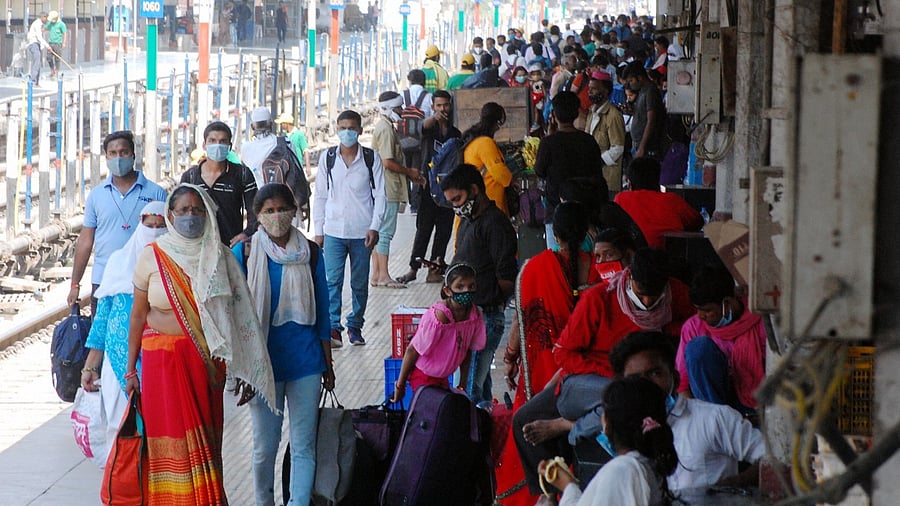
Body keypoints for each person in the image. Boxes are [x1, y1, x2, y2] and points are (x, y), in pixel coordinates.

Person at [125, 184, 276, 505]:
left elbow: (241, 315)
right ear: (170, 215)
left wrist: (246, 371)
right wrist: (129, 371)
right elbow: (138, 317)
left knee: (204, 445)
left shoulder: (220, 257)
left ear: (207, 214)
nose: (191, 216)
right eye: (183, 211)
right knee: (167, 444)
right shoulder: (153, 256)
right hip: (160, 369)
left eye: (197, 210)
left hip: (204, 368)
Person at [512, 248, 693, 495]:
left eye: (655, 296)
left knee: (632, 401)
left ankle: (567, 426)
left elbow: (693, 326)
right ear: (629, 278)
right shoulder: (599, 299)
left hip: (636, 383)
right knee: (524, 418)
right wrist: (613, 375)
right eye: (643, 295)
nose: (649, 303)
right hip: (590, 381)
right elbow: (564, 353)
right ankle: (549, 495)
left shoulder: (676, 294)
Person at [232, 183, 335, 506]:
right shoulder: (245, 253)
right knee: (265, 445)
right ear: (257, 216)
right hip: (263, 366)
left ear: (294, 211)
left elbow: (323, 312)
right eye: (268, 210)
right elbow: (233, 314)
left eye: (282, 209)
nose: (277, 216)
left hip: (305, 362)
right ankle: (265, 501)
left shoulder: (310, 252)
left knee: (304, 444)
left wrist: (328, 366)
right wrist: (242, 372)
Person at [495, 202, 594, 506]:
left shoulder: (533, 269)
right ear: (589, 232)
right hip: (584, 377)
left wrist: (510, 357)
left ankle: (545, 494)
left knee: (531, 430)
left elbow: (521, 319)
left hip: (541, 377)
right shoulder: (599, 267)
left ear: (556, 234)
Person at [610, 331, 764, 491]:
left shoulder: (713, 418)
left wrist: (726, 488)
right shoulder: (623, 431)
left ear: (675, 378)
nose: (645, 385)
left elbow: (771, 459)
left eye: (655, 373)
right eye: (635, 378)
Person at [79, 202, 167, 462]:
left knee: (154, 437)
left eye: (160, 227)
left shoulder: (172, 267)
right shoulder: (119, 262)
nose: (153, 232)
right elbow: (102, 320)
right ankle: (120, 492)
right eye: (148, 226)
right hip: (116, 366)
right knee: (118, 435)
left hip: (156, 364)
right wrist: (90, 366)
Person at [67, 131, 168, 315]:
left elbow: (168, 239)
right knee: (102, 339)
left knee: (141, 338)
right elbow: (85, 241)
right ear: (106, 157)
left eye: (124, 152)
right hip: (103, 280)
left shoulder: (156, 193)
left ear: (133, 155)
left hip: (146, 279)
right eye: (113, 153)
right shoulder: (96, 196)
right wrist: (75, 283)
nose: (118, 158)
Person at [441, 164, 517, 404]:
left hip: (486, 317)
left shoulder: (495, 224)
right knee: (478, 385)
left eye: (458, 198)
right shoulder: (467, 222)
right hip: (472, 316)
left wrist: (483, 301)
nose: (456, 206)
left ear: (474, 190)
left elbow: (506, 279)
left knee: (469, 387)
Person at [537, 376, 678, 505]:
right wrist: (568, 485)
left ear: (606, 423)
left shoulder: (621, 470)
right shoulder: (650, 464)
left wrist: (568, 487)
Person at [313, 110, 387, 347]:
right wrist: (319, 231)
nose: (347, 132)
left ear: (360, 130)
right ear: (337, 129)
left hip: (362, 232)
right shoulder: (328, 158)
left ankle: (355, 326)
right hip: (334, 230)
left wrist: (375, 227)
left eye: (352, 128)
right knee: (332, 280)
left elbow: (381, 196)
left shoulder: (370, 159)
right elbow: (321, 195)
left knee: (359, 283)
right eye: (343, 127)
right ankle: (334, 328)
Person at [677, 265, 766, 416]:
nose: (700, 316)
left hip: (755, 406)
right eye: (697, 309)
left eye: (707, 310)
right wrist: (700, 421)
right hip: (712, 407)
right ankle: (718, 420)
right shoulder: (693, 327)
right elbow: (682, 384)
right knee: (698, 348)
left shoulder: (760, 321)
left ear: (727, 303)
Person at [390, 263, 485, 402]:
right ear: (447, 291)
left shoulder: (474, 315)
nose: (466, 291)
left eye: (471, 286)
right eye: (460, 287)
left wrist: (462, 385)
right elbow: (413, 350)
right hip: (423, 376)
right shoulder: (440, 316)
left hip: (442, 379)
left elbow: (466, 351)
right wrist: (400, 386)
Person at [396, 90, 459, 285]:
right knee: (423, 229)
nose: (443, 109)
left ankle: (435, 269)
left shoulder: (455, 133)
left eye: (446, 105)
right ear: (432, 106)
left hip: (448, 188)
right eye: (439, 105)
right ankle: (413, 269)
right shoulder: (428, 130)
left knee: (444, 230)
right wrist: (434, 119)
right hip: (427, 187)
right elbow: (421, 128)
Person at [533, 91, 605, 250]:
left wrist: (550, 136)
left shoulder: (548, 142)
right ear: (576, 113)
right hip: (586, 213)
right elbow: (597, 173)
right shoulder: (588, 141)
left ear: (554, 115)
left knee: (560, 262)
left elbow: (539, 171)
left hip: (556, 212)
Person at [370, 91, 424, 288]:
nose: (402, 111)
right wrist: (409, 171)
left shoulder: (386, 126)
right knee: (385, 233)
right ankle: (383, 275)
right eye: (399, 108)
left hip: (385, 187)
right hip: (388, 188)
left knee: (380, 232)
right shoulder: (385, 129)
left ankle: (377, 275)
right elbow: (387, 161)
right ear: (389, 108)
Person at [181, 121, 258, 247]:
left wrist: (247, 233)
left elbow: (255, 209)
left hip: (231, 247)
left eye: (223, 141)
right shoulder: (190, 177)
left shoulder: (242, 174)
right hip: (198, 248)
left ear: (230, 146)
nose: (217, 145)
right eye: (212, 140)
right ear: (204, 145)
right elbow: (180, 212)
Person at [614, 157, 703, 249]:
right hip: (669, 256)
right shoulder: (672, 199)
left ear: (630, 184)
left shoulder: (621, 198)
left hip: (634, 255)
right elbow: (697, 222)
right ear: (657, 181)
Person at [461, 102, 514, 215]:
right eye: (499, 124)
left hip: (479, 199)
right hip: (489, 199)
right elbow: (499, 172)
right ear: (496, 123)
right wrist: (511, 181)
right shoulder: (485, 143)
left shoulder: (475, 140)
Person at [585, 73, 626, 191]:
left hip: (608, 176)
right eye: (589, 89)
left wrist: (598, 161)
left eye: (594, 89)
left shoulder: (613, 115)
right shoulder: (591, 113)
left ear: (605, 91)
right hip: (593, 175)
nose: (590, 92)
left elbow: (618, 148)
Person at [622, 61, 666, 159]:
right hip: (638, 145)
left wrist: (642, 147)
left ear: (640, 77)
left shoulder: (651, 91)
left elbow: (651, 121)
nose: (630, 84)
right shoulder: (642, 90)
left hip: (648, 148)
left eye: (631, 81)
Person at [26, 12, 50, 86]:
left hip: (37, 44)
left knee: (38, 62)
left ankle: (36, 82)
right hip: (34, 44)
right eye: (46, 18)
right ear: (43, 17)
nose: (47, 20)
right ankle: (33, 80)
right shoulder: (37, 24)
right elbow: (39, 37)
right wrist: (47, 46)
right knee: (37, 61)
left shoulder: (40, 24)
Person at [45, 11, 67, 79]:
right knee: (49, 57)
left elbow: (64, 34)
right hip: (51, 43)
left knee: (57, 59)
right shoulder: (50, 23)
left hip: (58, 44)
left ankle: (56, 72)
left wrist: (64, 43)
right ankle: (52, 71)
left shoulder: (61, 24)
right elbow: (44, 28)